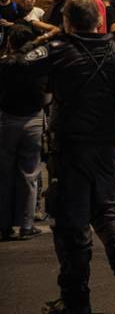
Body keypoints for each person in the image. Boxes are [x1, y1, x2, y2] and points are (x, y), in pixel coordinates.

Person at [17, 0, 115, 313]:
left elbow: (18, 66)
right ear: (98, 22)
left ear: (68, 22)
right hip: (104, 147)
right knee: (106, 208)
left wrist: (44, 40)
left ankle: (76, 300)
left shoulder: (58, 49)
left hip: (70, 148)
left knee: (70, 224)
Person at [0, 26, 46, 241]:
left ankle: (5, 225)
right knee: (30, 174)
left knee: (5, 173)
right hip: (33, 118)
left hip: (7, 118)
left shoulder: (5, 64)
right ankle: (27, 224)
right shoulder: (38, 66)